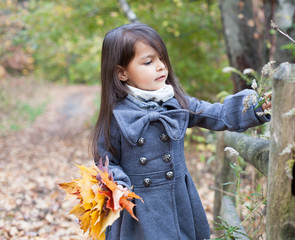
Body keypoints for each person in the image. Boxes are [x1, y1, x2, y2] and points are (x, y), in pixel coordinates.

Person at [91, 23, 271, 240]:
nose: (160, 67)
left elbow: (218, 114)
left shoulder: (177, 103)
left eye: (161, 58)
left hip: (178, 202)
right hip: (137, 210)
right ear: (122, 73)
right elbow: (106, 161)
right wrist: (119, 184)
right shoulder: (117, 115)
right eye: (148, 62)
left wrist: (257, 106)